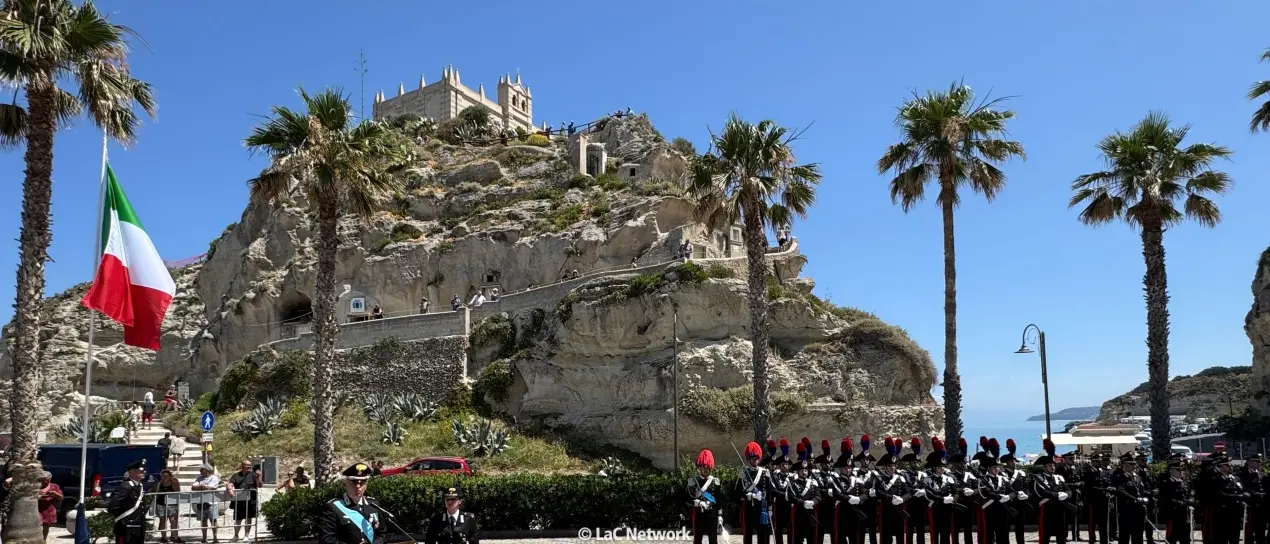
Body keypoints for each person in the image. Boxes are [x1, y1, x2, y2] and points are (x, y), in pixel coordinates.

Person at [319, 463, 387, 544]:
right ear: (345, 484)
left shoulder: (373, 505)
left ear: (366, 485)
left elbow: (382, 534)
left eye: (362, 483)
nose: (358, 486)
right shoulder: (333, 507)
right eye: (354, 483)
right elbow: (327, 539)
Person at [1033, 442, 1075, 544]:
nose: (1052, 467)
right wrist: (1057, 495)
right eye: (1049, 465)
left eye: (1053, 465)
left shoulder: (1059, 478)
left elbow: (1069, 490)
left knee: (1061, 534)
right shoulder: (1038, 478)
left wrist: (1067, 495)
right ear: (1044, 467)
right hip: (1047, 508)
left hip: (1060, 508)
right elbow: (1040, 492)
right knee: (1045, 534)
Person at [737, 441, 772, 544]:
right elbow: (738, 491)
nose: (755, 460)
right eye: (753, 458)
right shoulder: (744, 473)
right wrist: (749, 495)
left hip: (762, 508)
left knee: (763, 533)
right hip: (749, 508)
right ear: (748, 459)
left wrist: (770, 508)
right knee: (748, 534)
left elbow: (769, 491)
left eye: (757, 458)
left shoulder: (765, 472)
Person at [107, 459, 148, 544]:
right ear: (132, 472)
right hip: (126, 527)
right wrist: (125, 518)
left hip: (138, 527)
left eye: (144, 470)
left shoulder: (140, 486)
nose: (144, 472)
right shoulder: (125, 487)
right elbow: (113, 506)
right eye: (141, 470)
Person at [1113, 452, 1150, 544]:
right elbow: (1121, 491)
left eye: (1134, 464)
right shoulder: (1120, 477)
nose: (1134, 466)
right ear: (1125, 465)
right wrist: (1135, 499)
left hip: (1139, 510)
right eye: (1131, 464)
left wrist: (1146, 496)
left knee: (1138, 535)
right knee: (1124, 536)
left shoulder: (1137, 477)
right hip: (1127, 510)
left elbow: (1141, 490)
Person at [687, 449, 720, 544]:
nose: (705, 469)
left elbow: (719, 500)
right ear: (699, 468)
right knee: (698, 539)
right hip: (699, 516)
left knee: (713, 540)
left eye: (707, 467)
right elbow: (687, 498)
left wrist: (720, 515)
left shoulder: (715, 481)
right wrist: (696, 502)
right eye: (703, 467)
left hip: (712, 516)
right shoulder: (693, 481)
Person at [1157, 458, 1193, 544]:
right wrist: (1181, 503)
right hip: (1173, 516)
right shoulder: (1167, 483)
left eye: (1182, 470)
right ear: (1171, 471)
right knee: (1171, 539)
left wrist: (1190, 500)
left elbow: (1188, 494)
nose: (1181, 472)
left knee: (1186, 540)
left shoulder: (1183, 483)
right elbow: (1166, 499)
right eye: (1178, 470)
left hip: (1184, 516)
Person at [226, 459, 262, 541]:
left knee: (248, 518)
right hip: (239, 500)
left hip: (251, 500)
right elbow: (230, 484)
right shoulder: (236, 475)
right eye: (247, 465)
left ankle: (246, 536)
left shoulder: (254, 475)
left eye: (250, 465)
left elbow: (260, 485)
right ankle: (236, 536)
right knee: (238, 519)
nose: (249, 466)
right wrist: (229, 489)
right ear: (242, 466)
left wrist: (259, 476)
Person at [190, 464, 221, 543]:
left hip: (211, 503)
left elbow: (209, 487)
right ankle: (204, 538)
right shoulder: (199, 478)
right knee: (203, 521)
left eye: (202, 469)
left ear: (207, 470)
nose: (200, 471)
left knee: (213, 521)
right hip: (201, 502)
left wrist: (201, 487)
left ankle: (215, 537)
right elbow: (193, 487)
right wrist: (202, 486)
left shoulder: (214, 478)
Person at [152, 469, 183, 543]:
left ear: (170, 476)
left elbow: (178, 490)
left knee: (173, 520)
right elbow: (155, 491)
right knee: (162, 521)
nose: (164, 477)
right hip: (161, 504)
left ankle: (175, 537)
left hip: (172, 504)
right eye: (163, 476)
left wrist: (172, 481)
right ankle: (164, 537)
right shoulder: (160, 482)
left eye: (166, 476)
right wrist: (160, 483)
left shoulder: (175, 481)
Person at [37, 470, 62, 543]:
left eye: (46, 480)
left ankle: (44, 540)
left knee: (46, 526)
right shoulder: (36, 486)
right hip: (38, 508)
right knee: (37, 524)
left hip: (49, 509)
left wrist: (55, 494)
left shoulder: (54, 486)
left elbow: (60, 497)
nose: (44, 482)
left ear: (50, 479)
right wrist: (39, 497)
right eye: (42, 480)